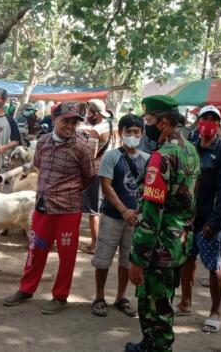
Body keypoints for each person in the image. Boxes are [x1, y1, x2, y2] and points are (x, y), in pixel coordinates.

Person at [3, 102, 96, 314]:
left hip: (68, 209)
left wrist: (68, 190)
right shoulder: (42, 142)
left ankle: (60, 296)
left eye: (74, 122)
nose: (70, 126)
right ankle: (26, 289)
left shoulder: (82, 148)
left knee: (67, 255)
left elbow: (89, 177)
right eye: (66, 121)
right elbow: (38, 166)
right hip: (44, 206)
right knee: (35, 249)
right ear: (54, 119)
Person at [125, 95, 200, 352]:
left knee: (155, 303)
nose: (145, 126)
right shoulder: (190, 150)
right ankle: (149, 344)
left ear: (164, 121)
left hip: (158, 245)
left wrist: (138, 257)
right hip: (178, 240)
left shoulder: (162, 157)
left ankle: (157, 347)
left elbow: (151, 212)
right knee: (158, 299)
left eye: (148, 120)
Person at [175, 105, 221, 334]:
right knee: (187, 260)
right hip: (189, 218)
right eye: (204, 118)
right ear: (197, 121)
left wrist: (215, 220)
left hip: (211, 219)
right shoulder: (191, 148)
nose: (208, 123)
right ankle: (185, 303)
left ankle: (215, 312)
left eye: (213, 120)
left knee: (214, 265)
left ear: (218, 125)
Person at [91, 114, 150, 318]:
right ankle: (99, 297)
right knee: (103, 259)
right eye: (128, 131)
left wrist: (138, 212)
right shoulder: (111, 156)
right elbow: (106, 186)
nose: (132, 135)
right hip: (111, 216)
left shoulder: (147, 159)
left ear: (142, 134)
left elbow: (148, 190)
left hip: (135, 219)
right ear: (120, 133)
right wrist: (124, 210)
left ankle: (121, 297)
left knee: (127, 260)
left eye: (136, 132)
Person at [80, 99, 114, 255]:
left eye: (88, 113)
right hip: (115, 172)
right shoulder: (115, 126)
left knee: (94, 212)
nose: (87, 116)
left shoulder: (96, 130)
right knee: (108, 209)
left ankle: (95, 246)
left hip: (98, 172)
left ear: (95, 114)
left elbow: (90, 155)